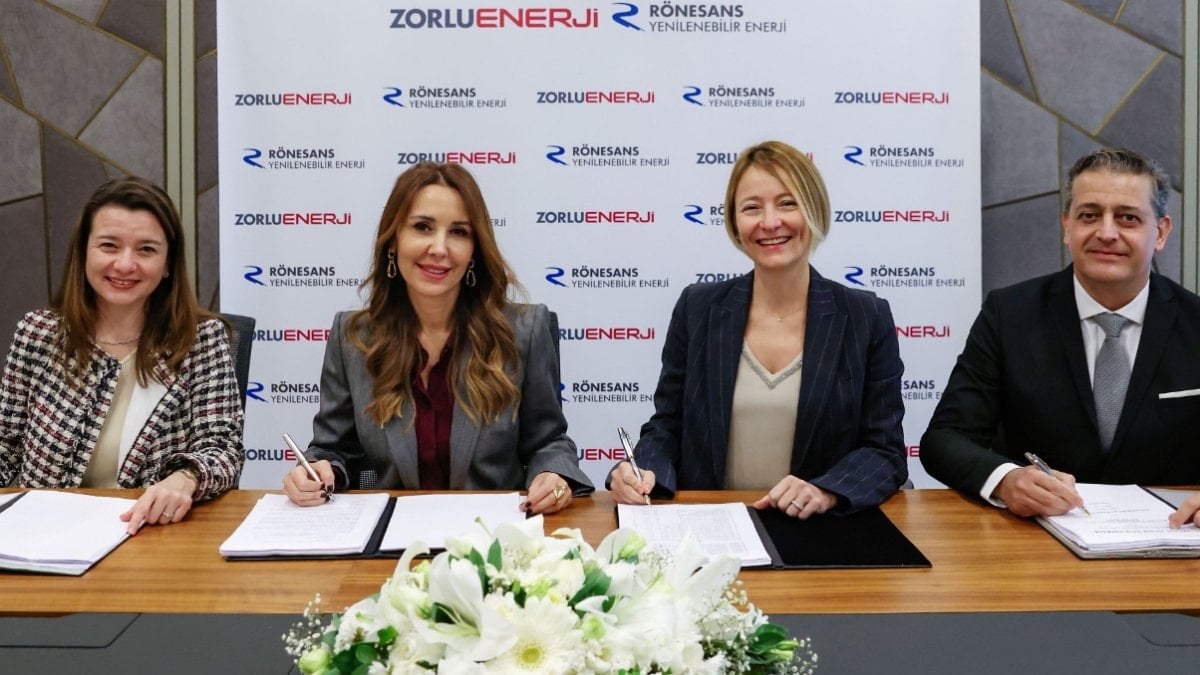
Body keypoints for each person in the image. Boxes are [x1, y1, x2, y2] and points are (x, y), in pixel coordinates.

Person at [608, 140, 907, 518]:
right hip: (712, 526)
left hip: (819, 530)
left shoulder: (866, 316)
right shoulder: (698, 308)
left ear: (814, 209)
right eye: (751, 208)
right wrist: (642, 470)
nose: (769, 222)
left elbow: (884, 451)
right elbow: (667, 426)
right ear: (735, 223)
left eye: (787, 203)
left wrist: (826, 490)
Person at [282, 163, 592, 513]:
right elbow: (333, 449)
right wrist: (318, 470)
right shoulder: (353, 337)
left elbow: (549, 443)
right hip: (390, 533)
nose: (439, 248)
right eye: (422, 227)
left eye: (458, 232)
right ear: (393, 240)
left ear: (474, 250)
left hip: (492, 533)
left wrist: (553, 475)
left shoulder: (523, 330)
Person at [921, 148, 1200, 521]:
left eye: (1128, 218)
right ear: (1067, 226)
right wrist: (1005, 480)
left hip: (1174, 538)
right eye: (1089, 215)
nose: (1106, 233)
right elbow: (945, 438)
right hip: (1038, 537)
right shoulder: (1009, 314)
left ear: (1161, 232)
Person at [0, 176, 244, 533]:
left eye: (146, 250)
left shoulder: (200, 340)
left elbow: (222, 450)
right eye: (109, 246)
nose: (125, 264)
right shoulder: (39, 333)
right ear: (84, 252)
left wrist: (186, 478)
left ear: (168, 264)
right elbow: (5, 444)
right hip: (42, 535)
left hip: (151, 534)